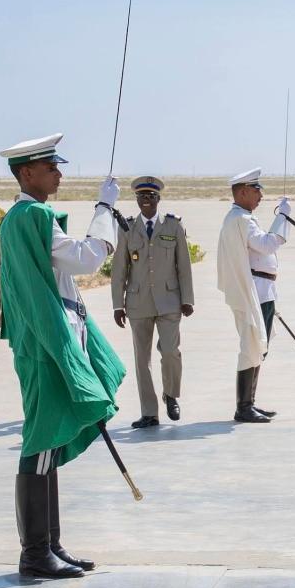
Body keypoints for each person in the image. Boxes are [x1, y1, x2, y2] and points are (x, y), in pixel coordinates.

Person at [0, 133, 125, 578]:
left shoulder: (20, 217)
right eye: (50, 168)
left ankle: (48, 545)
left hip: (43, 342)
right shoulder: (33, 215)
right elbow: (86, 260)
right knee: (40, 441)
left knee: (47, 442)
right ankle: (35, 553)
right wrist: (105, 210)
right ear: (26, 172)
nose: (58, 175)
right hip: (46, 345)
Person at [110, 176, 195, 429]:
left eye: (151, 196)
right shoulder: (127, 227)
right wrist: (117, 305)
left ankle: (171, 395)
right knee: (141, 359)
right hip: (138, 303)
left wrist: (188, 299)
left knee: (170, 352)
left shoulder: (173, 226)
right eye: (141, 196)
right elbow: (119, 269)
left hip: (170, 301)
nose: (146, 200)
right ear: (136, 200)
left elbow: (184, 266)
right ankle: (149, 412)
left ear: (158, 199)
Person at [217, 168, 292, 423]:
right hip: (256, 292)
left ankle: (250, 402)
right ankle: (244, 407)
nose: (261, 196)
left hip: (262, 290)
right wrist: (283, 217)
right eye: (257, 190)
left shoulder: (241, 218)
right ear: (243, 192)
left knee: (258, 346)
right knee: (251, 345)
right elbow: (267, 245)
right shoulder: (242, 219)